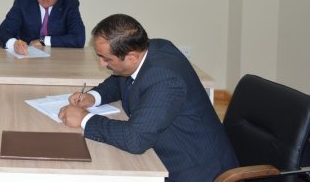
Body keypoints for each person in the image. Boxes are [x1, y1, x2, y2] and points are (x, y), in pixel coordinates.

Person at [58, 14, 237, 182]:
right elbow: (120, 78)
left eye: (106, 59)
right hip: (164, 153)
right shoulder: (152, 48)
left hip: (194, 170)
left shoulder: (165, 79)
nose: (102, 64)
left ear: (132, 57)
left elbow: (135, 139)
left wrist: (85, 119)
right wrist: (93, 96)